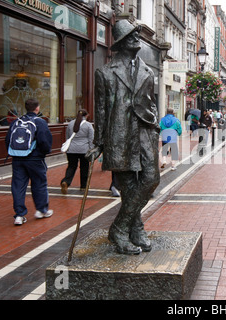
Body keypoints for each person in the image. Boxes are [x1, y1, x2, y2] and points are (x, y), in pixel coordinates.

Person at [85, 20, 160, 254]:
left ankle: (119, 227)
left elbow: (151, 103)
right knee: (128, 186)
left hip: (145, 131)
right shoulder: (105, 72)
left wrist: (155, 125)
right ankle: (135, 229)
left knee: (151, 178)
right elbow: (101, 110)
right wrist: (99, 142)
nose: (137, 38)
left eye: (136, 34)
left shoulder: (147, 71)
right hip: (120, 133)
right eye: (131, 35)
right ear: (121, 43)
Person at [5, 98, 53, 225]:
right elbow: (45, 142)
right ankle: (41, 210)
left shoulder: (16, 122)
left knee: (18, 186)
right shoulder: (40, 122)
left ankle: (19, 215)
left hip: (17, 159)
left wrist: (15, 153)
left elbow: (8, 140)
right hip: (35, 158)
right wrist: (43, 153)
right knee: (39, 183)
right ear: (37, 108)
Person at [60, 109, 94, 194]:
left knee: (71, 166)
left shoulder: (70, 124)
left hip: (71, 149)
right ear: (86, 116)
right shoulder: (88, 125)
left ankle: (66, 181)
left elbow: (68, 136)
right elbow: (91, 139)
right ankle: (84, 185)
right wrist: (91, 149)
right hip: (84, 150)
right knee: (84, 167)